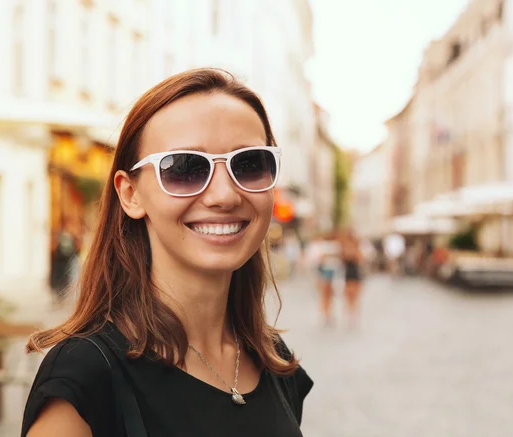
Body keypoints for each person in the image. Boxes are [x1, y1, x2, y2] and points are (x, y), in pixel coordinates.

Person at [22, 69, 313, 437]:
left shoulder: (273, 360)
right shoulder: (87, 375)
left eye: (249, 164)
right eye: (185, 168)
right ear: (131, 194)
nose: (224, 195)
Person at [305, 232, 342, 326]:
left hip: (330, 272)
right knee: (325, 295)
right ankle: (326, 315)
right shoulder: (317, 247)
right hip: (323, 272)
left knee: (329, 295)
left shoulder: (330, 246)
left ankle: (328, 314)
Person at [338, 229, 364, 329]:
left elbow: (360, 259)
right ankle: (350, 316)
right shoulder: (344, 247)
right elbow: (343, 259)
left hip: (355, 274)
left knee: (355, 297)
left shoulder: (357, 248)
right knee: (348, 297)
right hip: (348, 274)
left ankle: (353, 316)